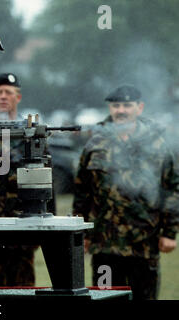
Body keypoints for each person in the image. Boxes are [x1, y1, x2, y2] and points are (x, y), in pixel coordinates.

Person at [72, 84, 179, 300]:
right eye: (116, 105)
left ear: (139, 108)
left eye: (127, 105)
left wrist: (170, 232)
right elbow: (82, 191)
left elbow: (171, 189)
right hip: (104, 245)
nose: (121, 110)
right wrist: (80, 234)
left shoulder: (157, 143)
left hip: (144, 244)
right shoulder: (95, 143)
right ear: (110, 108)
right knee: (105, 298)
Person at [0, 73, 40, 287]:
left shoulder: (31, 137)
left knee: (24, 290)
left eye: (8, 93)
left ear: (18, 98)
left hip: (22, 232)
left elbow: (44, 186)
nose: (3, 97)